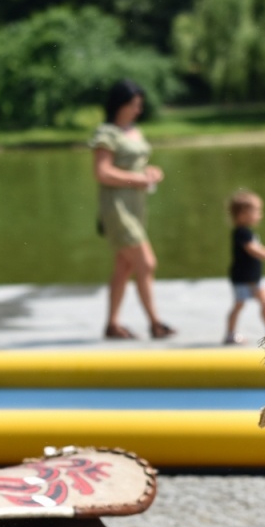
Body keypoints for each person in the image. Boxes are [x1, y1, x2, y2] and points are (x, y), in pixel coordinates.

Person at [91, 79, 173, 340]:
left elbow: (138, 165)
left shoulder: (134, 131)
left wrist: (150, 172)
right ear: (121, 104)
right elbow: (101, 172)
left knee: (124, 266)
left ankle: (112, 325)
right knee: (146, 263)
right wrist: (136, 179)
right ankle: (155, 323)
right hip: (117, 208)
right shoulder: (107, 133)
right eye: (134, 105)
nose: (138, 110)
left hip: (136, 207)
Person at [223, 189, 265, 345]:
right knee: (240, 304)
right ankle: (230, 334)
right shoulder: (241, 233)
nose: (259, 215)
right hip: (244, 278)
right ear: (243, 213)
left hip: (251, 277)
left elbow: (256, 247)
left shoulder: (247, 232)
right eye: (256, 211)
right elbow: (252, 249)